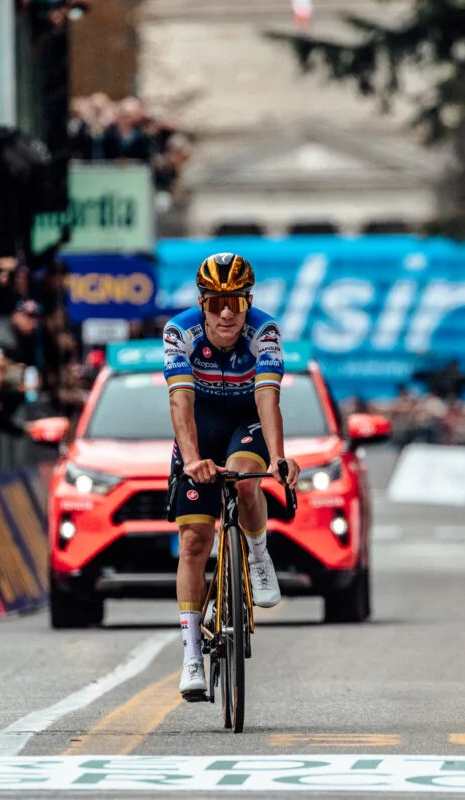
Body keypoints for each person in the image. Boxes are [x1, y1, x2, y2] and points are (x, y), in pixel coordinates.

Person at [162, 252, 299, 701]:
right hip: (200, 426)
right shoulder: (179, 332)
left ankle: (259, 555)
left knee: (245, 479)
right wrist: (193, 459)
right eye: (217, 301)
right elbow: (180, 404)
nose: (227, 313)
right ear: (202, 303)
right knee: (195, 542)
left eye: (236, 302)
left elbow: (267, 400)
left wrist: (278, 457)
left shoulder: (266, 331)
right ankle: (191, 658)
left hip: (246, 422)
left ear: (248, 301)